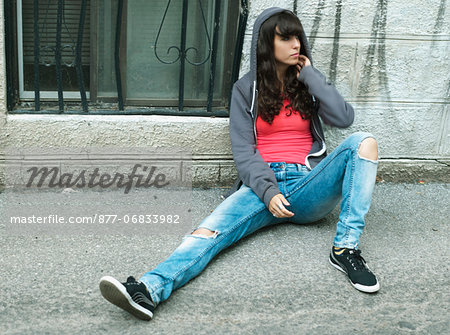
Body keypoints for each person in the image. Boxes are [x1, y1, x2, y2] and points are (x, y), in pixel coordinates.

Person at [99, 7, 380, 321]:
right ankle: (149, 289)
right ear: (266, 43)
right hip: (262, 185)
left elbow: (344, 118)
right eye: (285, 38)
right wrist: (268, 192)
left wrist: (311, 76)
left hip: (308, 183)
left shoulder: (308, 85)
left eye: (297, 37)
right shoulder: (245, 90)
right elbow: (244, 152)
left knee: (364, 142)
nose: (295, 44)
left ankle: (345, 249)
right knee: (208, 233)